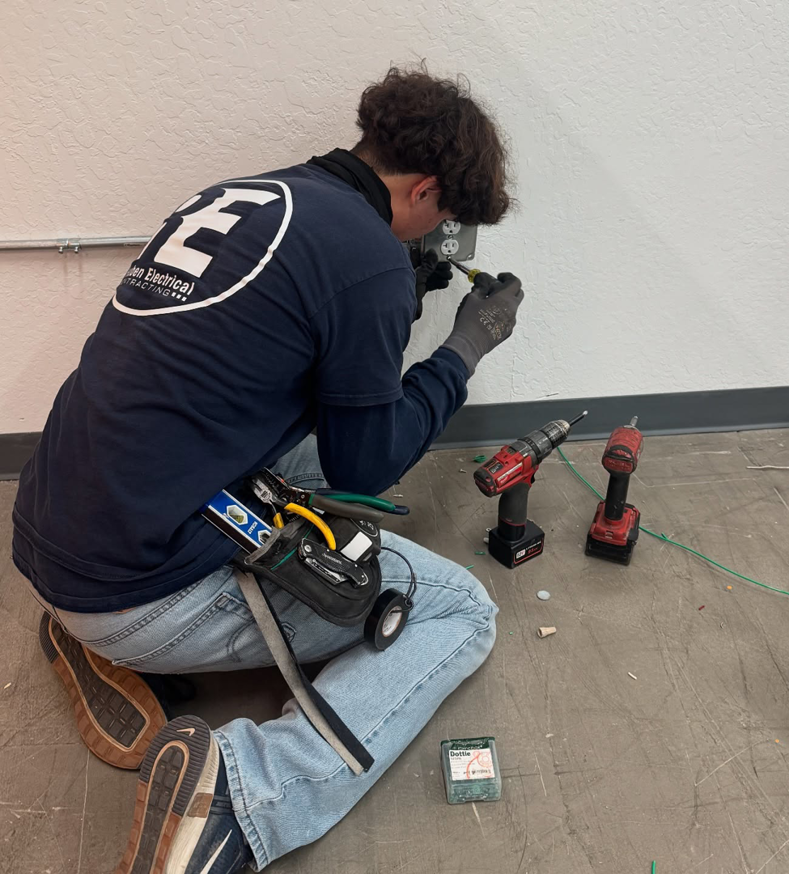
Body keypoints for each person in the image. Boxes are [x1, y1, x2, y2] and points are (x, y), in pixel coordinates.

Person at [12, 66, 523, 873]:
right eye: (444, 218)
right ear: (424, 191)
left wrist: (400, 290)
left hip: (55, 525)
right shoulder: (369, 262)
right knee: (458, 610)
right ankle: (238, 797)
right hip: (132, 584)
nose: (438, 237)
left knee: (306, 458)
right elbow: (374, 462)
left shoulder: (244, 196)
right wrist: (465, 348)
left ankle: (96, 635)